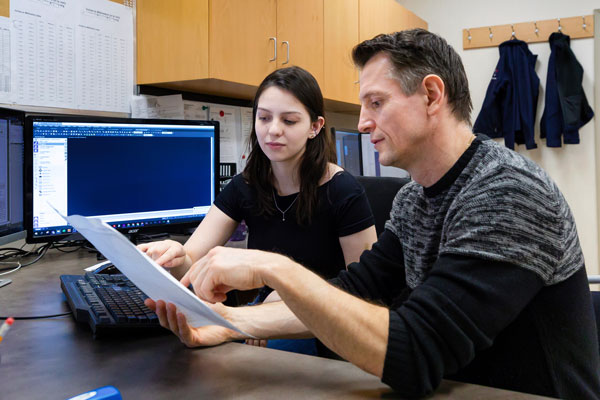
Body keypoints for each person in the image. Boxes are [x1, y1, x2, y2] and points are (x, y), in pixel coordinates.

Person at [145, 29, 600, 399]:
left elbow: (418, 350)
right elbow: (356, 291)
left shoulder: (507, 191)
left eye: (376, 103)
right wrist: (230, 325)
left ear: (431, 95)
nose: (362, 123)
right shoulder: (414, 197)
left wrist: (270, 266)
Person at [139, 66, 377, 356]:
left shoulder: (343, 191)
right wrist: (174, 258)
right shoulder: (245, 186)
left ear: (315, 127)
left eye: (289, 120)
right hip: (265, 309)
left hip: (326, 323)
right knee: (200, 353)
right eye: (264, 118)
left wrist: (293, 293)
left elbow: (365, 293)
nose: (273, 129)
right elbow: (192, 260)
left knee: (245, 362)